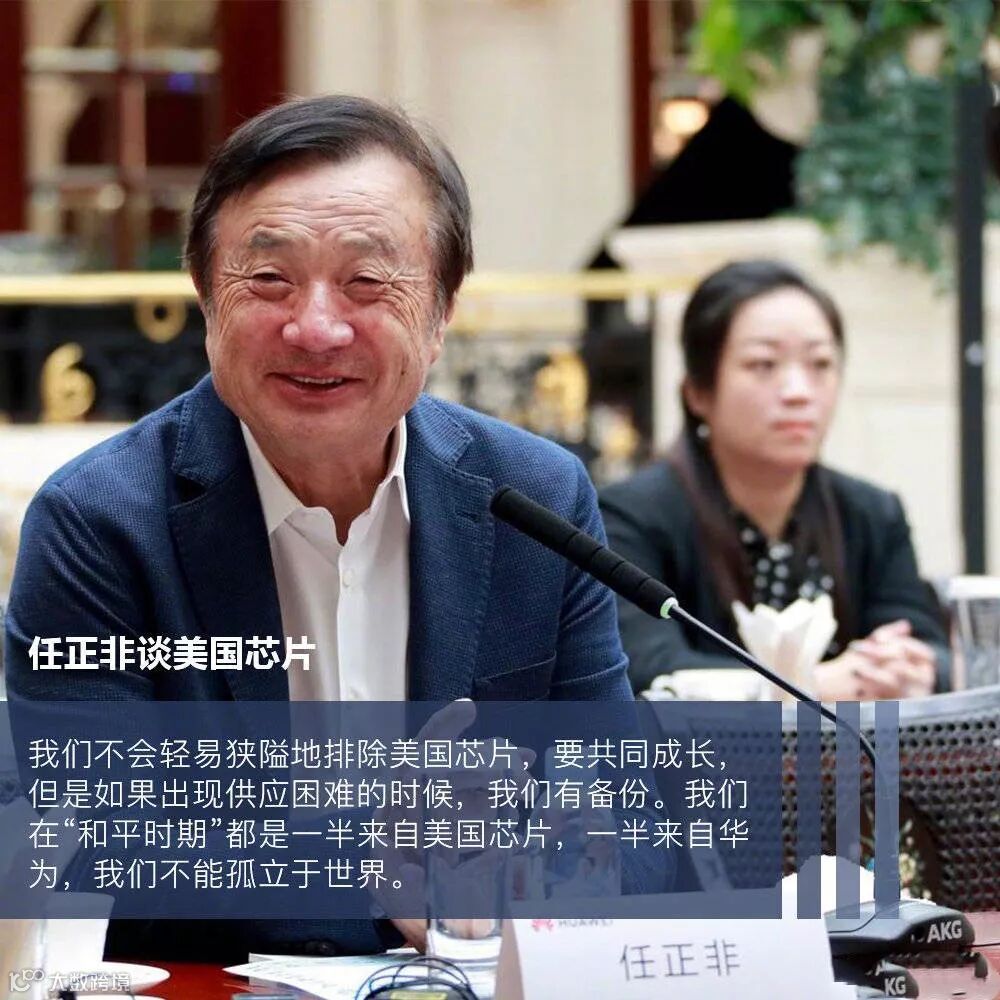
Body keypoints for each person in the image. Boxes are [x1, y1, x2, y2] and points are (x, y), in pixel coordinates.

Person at [3, 95, 665, 957]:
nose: (315, 328)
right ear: (205, 297)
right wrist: (391, 865)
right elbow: (103, 842)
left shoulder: (535, 499)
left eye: (368, 283)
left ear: (442, 311)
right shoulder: (101, 521)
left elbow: (629, 821)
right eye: (268, 280)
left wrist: (522, 877)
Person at [599, 259, 949, 700]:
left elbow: (930, 647)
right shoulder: (628, 517)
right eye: (763, 365)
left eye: (820, 363)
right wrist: (812, 686)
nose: (799, 392)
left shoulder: (873, 512)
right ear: (698, 393)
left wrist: (909, 669)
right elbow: (647, 668)